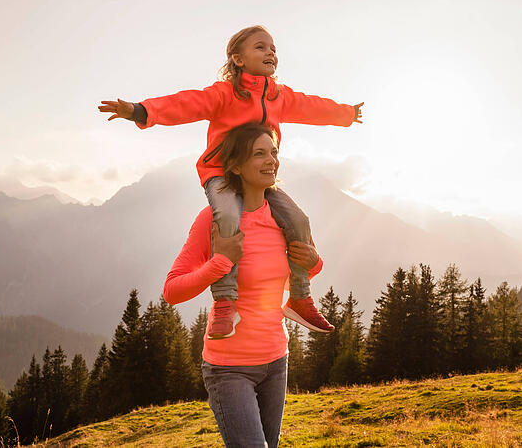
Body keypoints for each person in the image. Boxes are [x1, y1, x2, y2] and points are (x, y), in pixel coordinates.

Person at [98, 25, 362, 339]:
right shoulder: (224, 94)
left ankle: (300, 297)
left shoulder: (279, 97)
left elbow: (311, 107)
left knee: (298, 220)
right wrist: (141, 111)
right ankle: (225, 302)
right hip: (220, 174)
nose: (270, 52)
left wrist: (346, 114)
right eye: (260, 47)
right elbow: (186, 104)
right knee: (227, 216)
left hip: (261, 180)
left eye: (273, 48)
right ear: (237, 59)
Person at [163, 123, 322, 447]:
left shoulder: (285, 220)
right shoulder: (213, 220)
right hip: (229, 368)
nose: (271, 161)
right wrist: (220, 262)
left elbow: (295, 274)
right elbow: (172, 291)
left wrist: (315, 262)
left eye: (274, 152)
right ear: (235, 166)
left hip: (276, 361)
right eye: (259, 154)